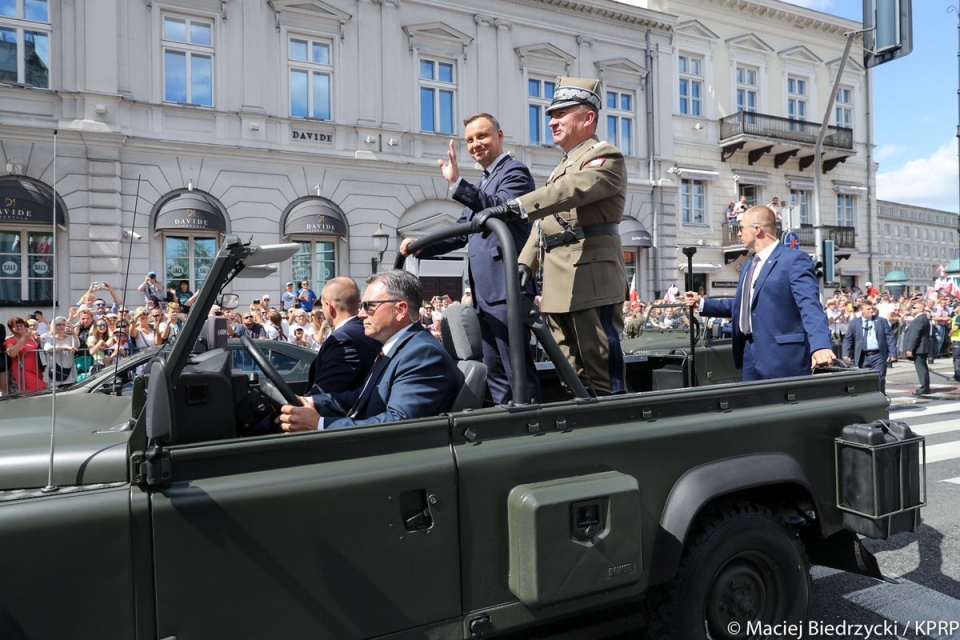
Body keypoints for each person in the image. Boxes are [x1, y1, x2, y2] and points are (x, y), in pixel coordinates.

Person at [477, 77, 627, 396]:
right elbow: (545, 221)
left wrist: (515, 205)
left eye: (561, 114)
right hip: (560, 279)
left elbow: (567, 192)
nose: (552, 122)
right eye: (550, 115)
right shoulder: (563, 165)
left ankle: (613, 430)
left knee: (599, 368)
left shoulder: (604, 155)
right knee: (569, 371)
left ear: (588, 117)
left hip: (591, 276)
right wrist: (524, 264)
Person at [400, 112, 539, 404]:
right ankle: (505, 426)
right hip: (485, 295)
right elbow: (461, 231)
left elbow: (500, 208)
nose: (476, 144)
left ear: (500, 137)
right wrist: (421, 246)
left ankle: (531, 427)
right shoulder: (484, 181)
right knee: (496, 372)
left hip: (507, 291)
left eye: (482, 136)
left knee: (517, 371)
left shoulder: (515, 173)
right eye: (470, 140)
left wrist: (458, 183)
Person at [278, 270, 459, 431]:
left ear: (400, 309)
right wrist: (312, 402)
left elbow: (399, 424)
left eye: (369, 306)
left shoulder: (422, 353)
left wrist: (319, 424)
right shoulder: (399, 346)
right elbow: (366, 397)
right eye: (361, 306)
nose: (362, 314)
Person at [684, 205, 835, 381]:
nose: (738, 234)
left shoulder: (793, 260)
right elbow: (743, 306)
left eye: (741, 228)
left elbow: (809, 305)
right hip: (750, 353)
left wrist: (820, 345)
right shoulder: (749, 265)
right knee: (753, 406)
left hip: (783, 358)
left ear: (757, 229)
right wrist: (702, 303)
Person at [305, 277, 381, 397]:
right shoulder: (367, 331)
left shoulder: (343, 340)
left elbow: (324, 393)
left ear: (329, 307)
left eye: (322, 305)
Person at [842, 299, 897, 394]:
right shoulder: (854, 323)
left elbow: (890, 337)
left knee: (879, 378)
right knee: (863, 379)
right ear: (861, 310)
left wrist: (892, 353)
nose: (871, 311)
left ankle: (880, 399)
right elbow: (848, 339)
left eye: (872, 309)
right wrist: (845, 353)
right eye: (868, 309)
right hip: (863, 356)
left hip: (878, 355)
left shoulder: (881, 321)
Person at [4, 316, 46, 393]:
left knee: (35, 391)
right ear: (11, 329)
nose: (19, 327)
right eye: (16, 326)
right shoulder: (9, 340)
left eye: (21, 325)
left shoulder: (32, 337)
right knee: (39, 388)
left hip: (36, 369)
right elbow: (12, 353)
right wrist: (23, 340)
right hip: (22, 370)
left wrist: (38, 342)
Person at [902, 300, 932, 395]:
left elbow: (915, 335)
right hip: (921, 348)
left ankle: (924, 388)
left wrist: (910, 349)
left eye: (914, 308)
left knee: (921, 368)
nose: (912, 309)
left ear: (921, 309)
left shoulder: (920, 319)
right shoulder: (921, 319)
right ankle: (925, 386)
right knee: (922, 367)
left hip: (920, 348)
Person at [43, 317, 79, 385]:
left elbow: (77, 345)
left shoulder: (70, 337)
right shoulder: (49, 338)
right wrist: (64, 347)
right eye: (59, 324)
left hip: (69, 368)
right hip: (54, 369)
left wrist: (73, 333)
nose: (62, 326)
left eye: (63, 324)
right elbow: (47, 348)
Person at [950, 308, 960, 382]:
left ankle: (958, 375)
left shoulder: (959, 316)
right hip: (956, 340)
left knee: (957, 358)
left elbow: (956, 327)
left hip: (958, 339)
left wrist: (950, 333)